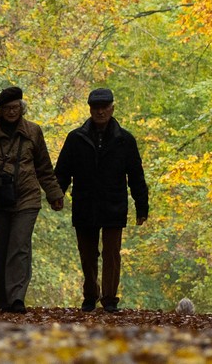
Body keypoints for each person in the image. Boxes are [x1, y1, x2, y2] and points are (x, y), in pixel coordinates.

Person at [54, 87, 149, 312]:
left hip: (113, 205)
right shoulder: (75, 138)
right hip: (84, 204)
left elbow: (136, 175)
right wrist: (57, 195)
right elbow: (62, 171)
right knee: (87, 254)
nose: (100, 112)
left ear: (112, 108)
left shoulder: (125, 140)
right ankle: (90, 296)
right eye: (96, 108)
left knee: (111, 254)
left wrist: (141, 206)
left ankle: (109, 299)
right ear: (90, 109)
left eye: (104, 107)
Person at [0, 85, 63, 313]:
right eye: (7, 108)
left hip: (27, 197)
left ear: (21, 108)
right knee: (1, 247)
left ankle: (17, 299)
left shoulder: (33, 132)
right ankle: (3, 301)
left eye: (15, 107)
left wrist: (54, 194)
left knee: (19, 245)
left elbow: (44, 167)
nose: (12, 112)